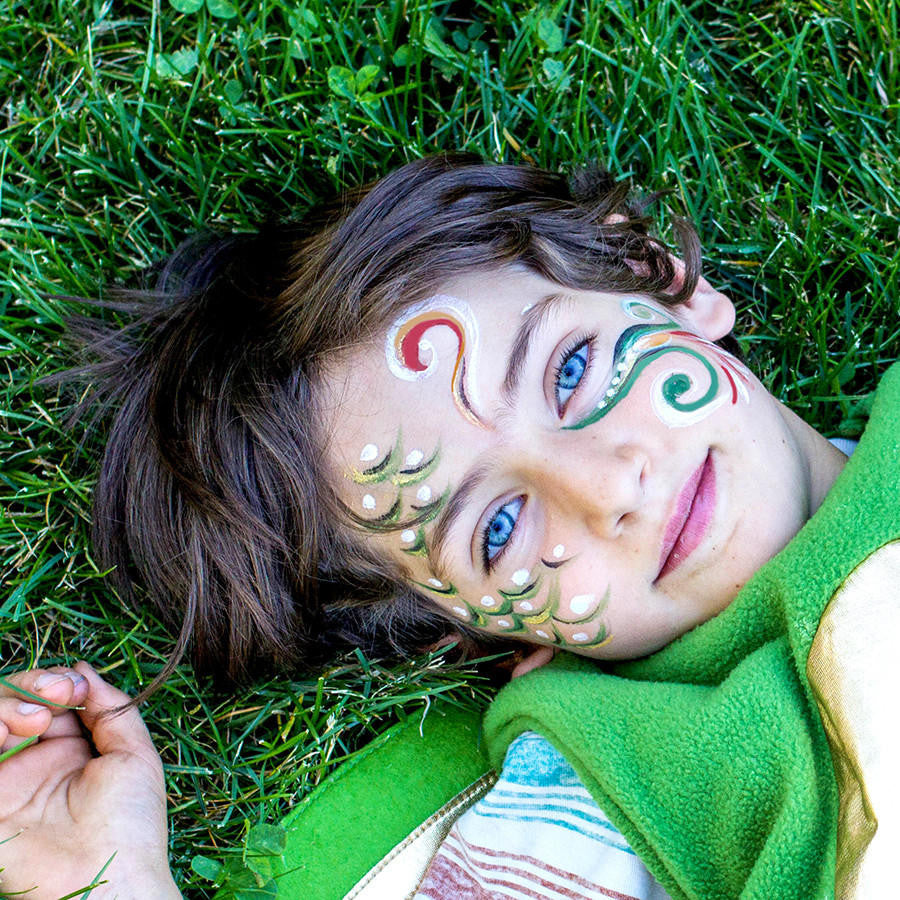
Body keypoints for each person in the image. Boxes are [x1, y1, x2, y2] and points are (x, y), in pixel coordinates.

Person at [0, 153, 894, 898]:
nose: (607, 487)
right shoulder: (610, 790)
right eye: (498, 530)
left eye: (570, 368)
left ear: (657, 274)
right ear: (481, 637)